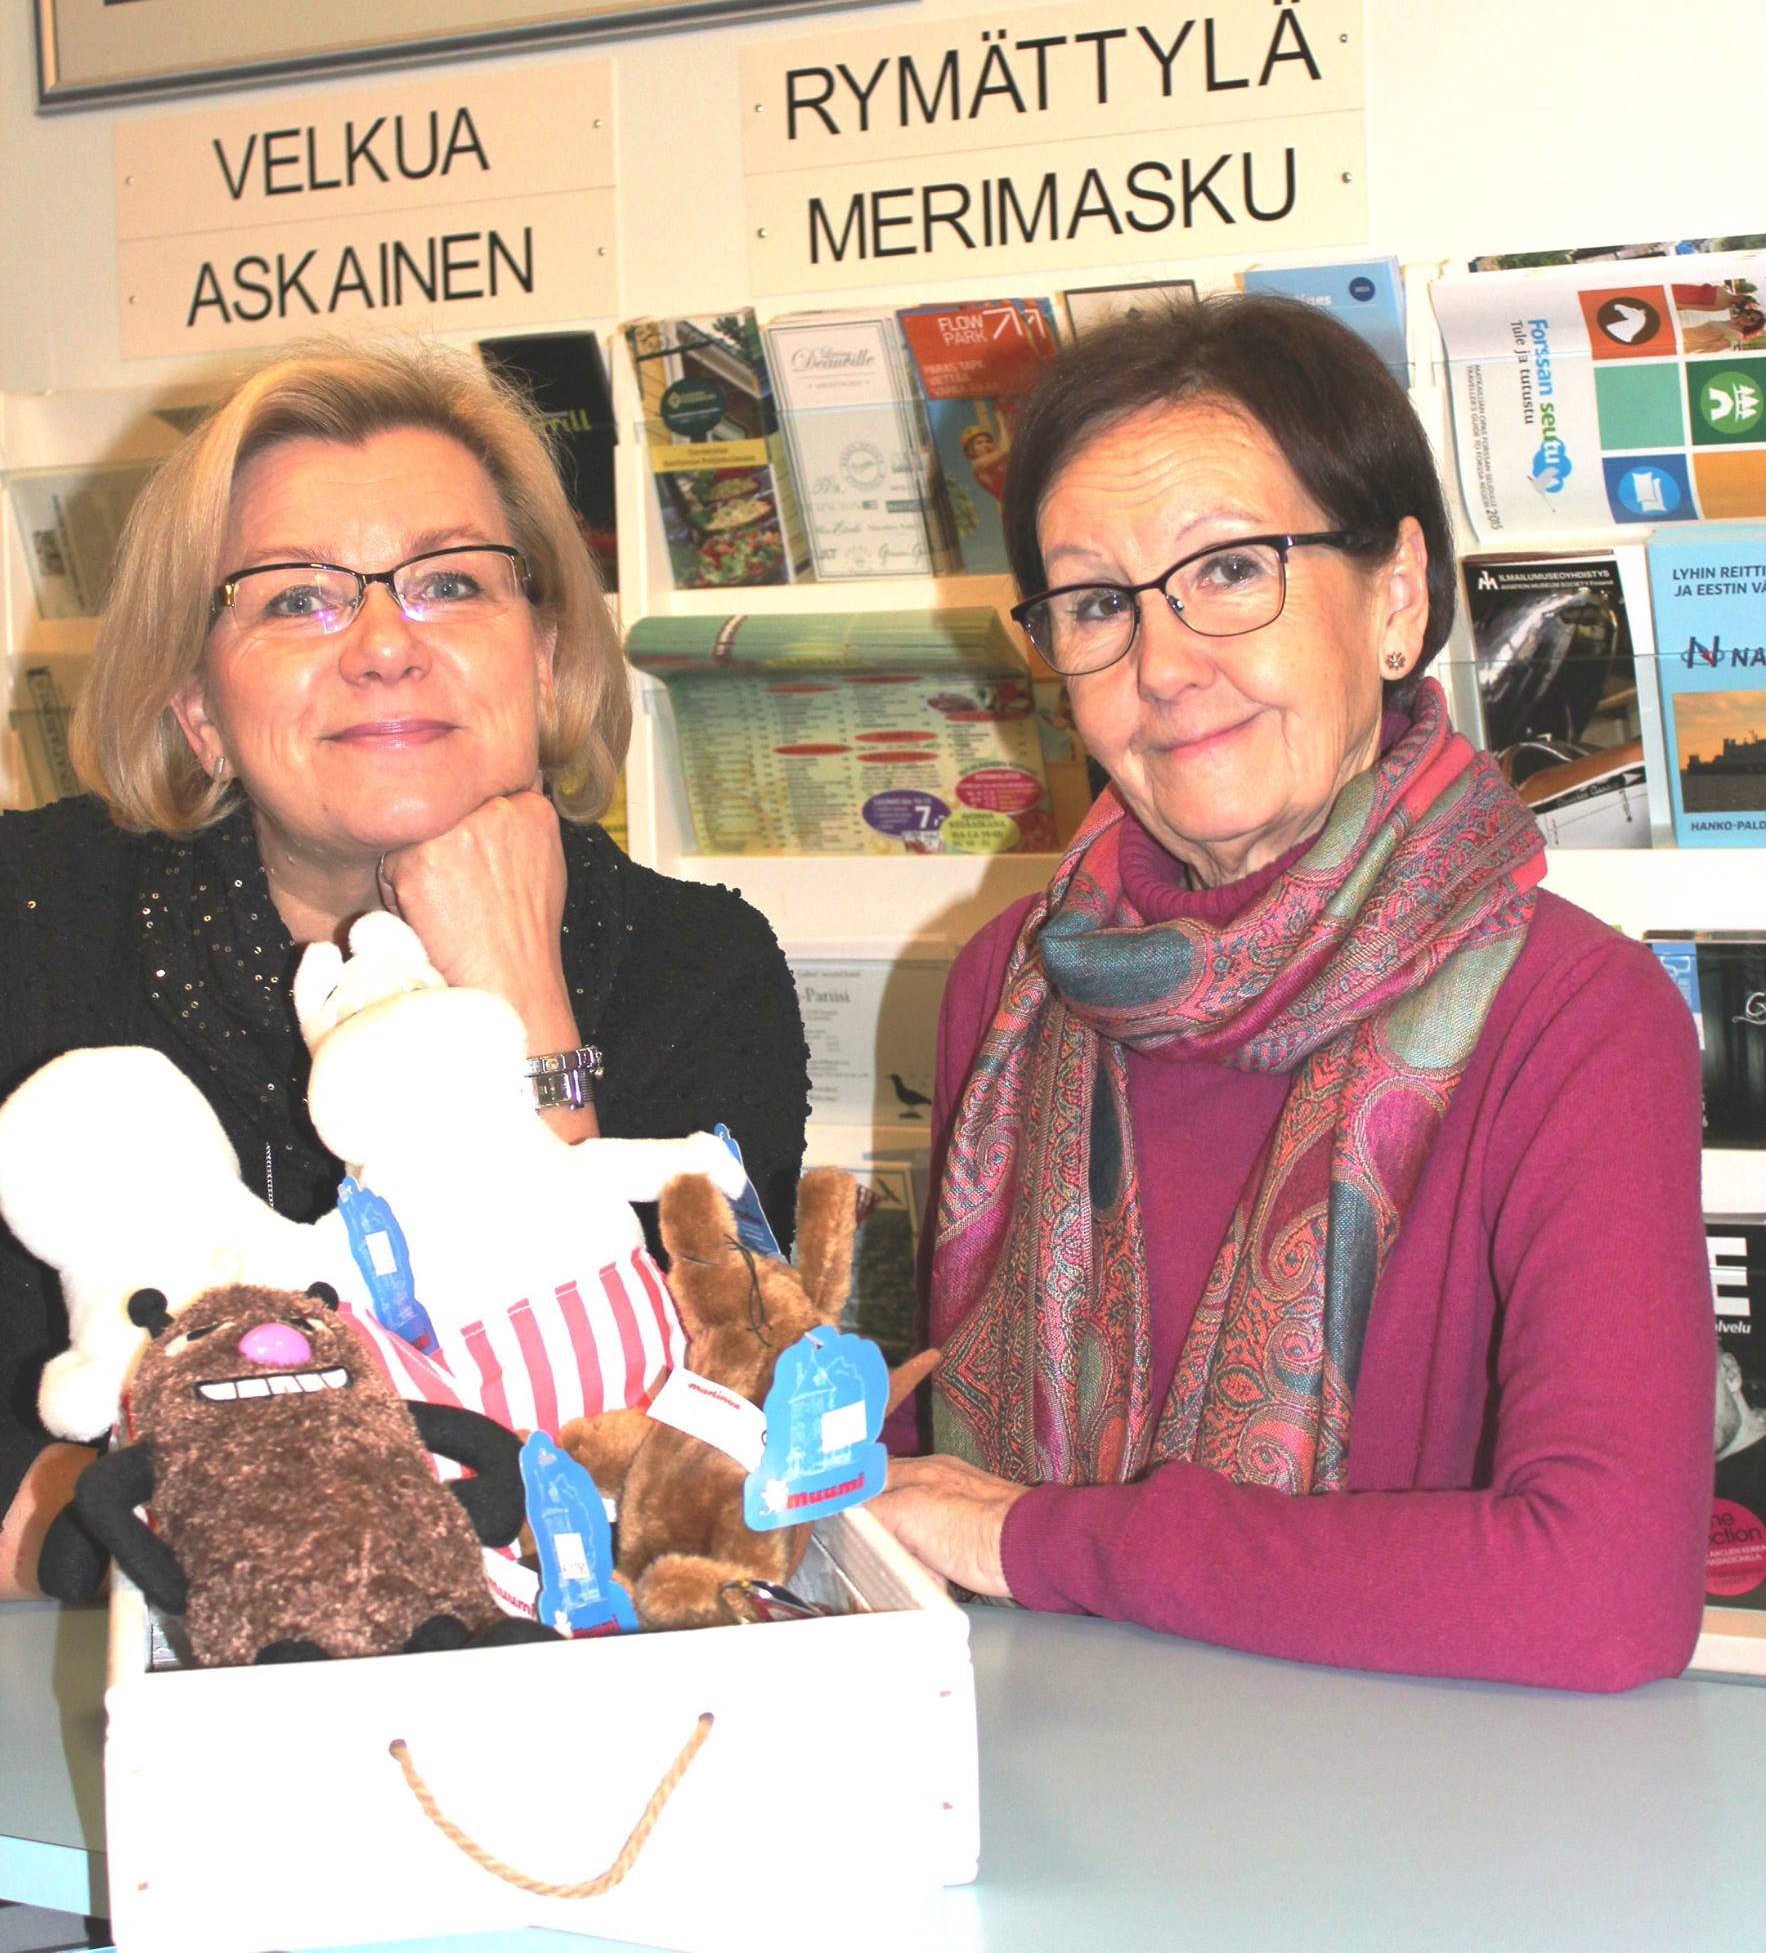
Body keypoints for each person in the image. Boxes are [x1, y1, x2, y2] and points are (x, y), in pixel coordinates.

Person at [871, 294, 1714, 1691]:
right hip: (1034, 1768)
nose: (1160, 666)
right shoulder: (1009, 991)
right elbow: (945, 1462)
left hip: (1400, 1794)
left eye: (1227, 570)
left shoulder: (1573, 1017)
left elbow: (1605, 1590)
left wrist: (1040, 1538)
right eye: (1096, 603)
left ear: (1395, 599)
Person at [0, 338, 809, 1599]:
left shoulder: (698, 963)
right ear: (198, 708)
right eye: (296, 598)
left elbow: (662, 1481)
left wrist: (519, 995)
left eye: (448, 582)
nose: (384, 645)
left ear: (545, 659)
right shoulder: (38, 923)